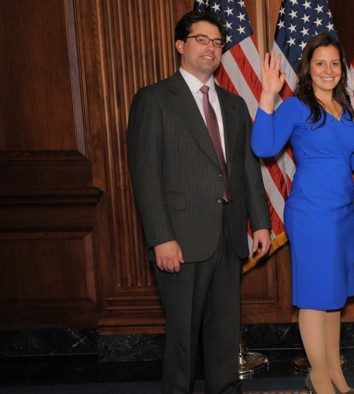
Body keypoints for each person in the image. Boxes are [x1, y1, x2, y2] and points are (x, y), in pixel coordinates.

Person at [126, 11, 272, 394]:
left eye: (217, 42)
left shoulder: (234, 104)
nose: (211, 48)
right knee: (183, 338)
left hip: (228, 235)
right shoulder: (154, 100)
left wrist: (260, 221)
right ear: (181, 45)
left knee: (224, 333)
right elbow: (145, 176)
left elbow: (247, 169)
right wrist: (161, 237)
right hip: (181, 238)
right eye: (201, 40)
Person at [251, 33, 354, 394]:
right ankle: (319, 377)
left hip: (342, 216)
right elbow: (263, 146)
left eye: (335, 63)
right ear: (308, 68)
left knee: (333, 299)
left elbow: (353, 160)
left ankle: (335, 374)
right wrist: (268, 95)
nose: (328, 70)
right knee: (315, 297)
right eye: (320, 63)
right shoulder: (295, 106)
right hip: (311, 215)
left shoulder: (345, 109)